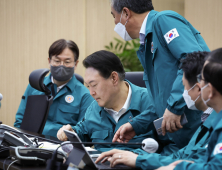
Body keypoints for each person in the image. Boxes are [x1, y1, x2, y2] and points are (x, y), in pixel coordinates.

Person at [110, 0, 210, 149]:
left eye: (114, 16)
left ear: (126, 13)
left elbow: (194, 59)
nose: (115, 22)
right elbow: (161, 102)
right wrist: (135, 125)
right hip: (175, 140)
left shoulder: (163, 20)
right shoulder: (147, 42)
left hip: (195, 133)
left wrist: (174, 106)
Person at [95, 51, 215, 169]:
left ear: (199, 89)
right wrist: (136, 158)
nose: (182, 94)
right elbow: (181, 156)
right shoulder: (207, 120)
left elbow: (203, 165)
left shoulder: (215, 124)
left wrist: (138, 159)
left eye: (183, 86)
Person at [57, 50, 158, 152]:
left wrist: (138, 159)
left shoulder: (152, 103)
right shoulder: (94, 108)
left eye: (94, 85)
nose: (91, 92)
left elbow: (171, 149)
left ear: (114, 78)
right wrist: (71, 132)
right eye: (88, 86)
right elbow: (84, 130)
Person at [157, 48, 222, 170]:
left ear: (210, 89)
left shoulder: (217, 123)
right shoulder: (214, 120)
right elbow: (200, 159)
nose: (200, 84)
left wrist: (176, 168)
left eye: (201, 79)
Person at [14, 39, 94, 138]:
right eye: (57, 61)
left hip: (62, 149)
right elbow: (20, 121)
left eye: (67, 61)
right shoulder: (35, 86)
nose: (61, 65)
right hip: (30, 146)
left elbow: (85, 133)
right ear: (49, 61)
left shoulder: (85, 95)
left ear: (76, 64)